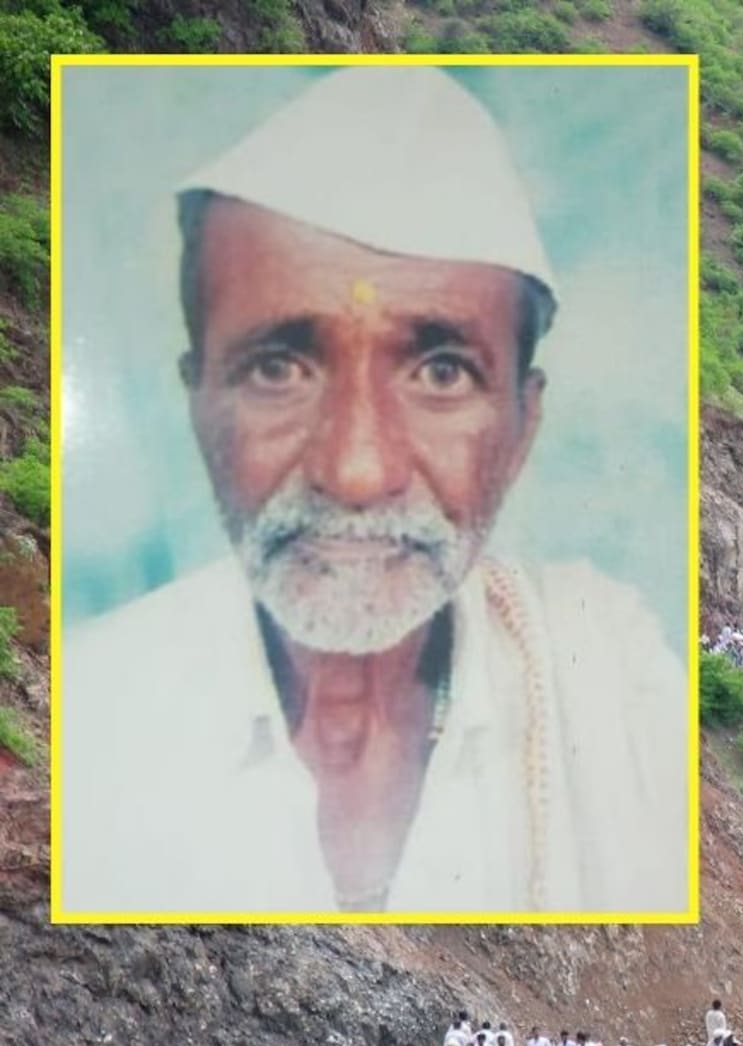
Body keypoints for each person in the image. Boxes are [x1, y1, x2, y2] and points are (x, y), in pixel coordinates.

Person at [60, 65, 692, 915]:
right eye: (279, 368)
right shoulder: (88, 714)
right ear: (197, 401)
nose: (357, 472)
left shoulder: (621, 698)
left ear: (521, 426)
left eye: (441, 371)